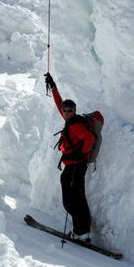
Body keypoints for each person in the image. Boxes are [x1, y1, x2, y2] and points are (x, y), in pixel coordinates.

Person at [44, 72, 95, 242]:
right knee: (76, 196)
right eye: (65, 110)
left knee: (73, 199)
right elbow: (59, 103)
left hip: (77, 165)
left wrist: (82, 152)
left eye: (69, 110)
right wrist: (53, 86)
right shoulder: (70, 121)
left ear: (75, 111)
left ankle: (81, 231)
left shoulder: (75, 125)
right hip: (72, 164)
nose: (65, 112)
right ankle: (83, 230)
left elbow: (90, 138)